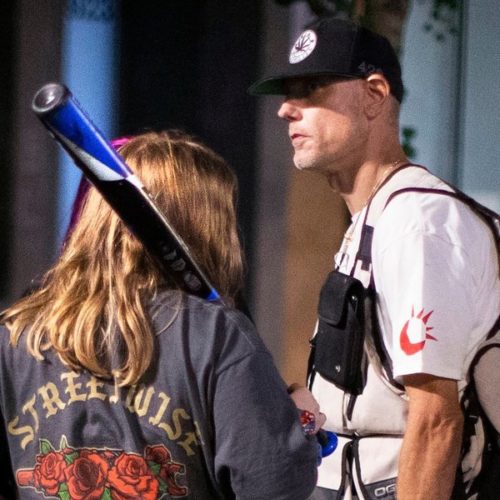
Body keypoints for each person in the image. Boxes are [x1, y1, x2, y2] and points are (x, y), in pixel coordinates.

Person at [249, 17, 500, 499]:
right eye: (287, 92)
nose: (286, 109)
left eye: (312, 88)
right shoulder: (378, 216)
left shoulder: (419, 222)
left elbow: (434, 423)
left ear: (374, 94)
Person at [0, 130, 322, 499]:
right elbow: (273, 487)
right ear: (207, 225)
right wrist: (301, 424)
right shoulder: (218, 336)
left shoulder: (14, 334)